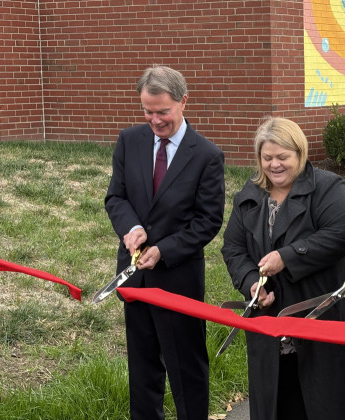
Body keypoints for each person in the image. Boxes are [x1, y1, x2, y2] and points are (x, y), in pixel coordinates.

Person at [221, 116, 345, 420]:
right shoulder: (248, 196)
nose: (274, 165)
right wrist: (252, 282)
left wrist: (287, 257)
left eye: (283, 157)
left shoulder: (329, 187)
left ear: (300, 154)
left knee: (334, 407)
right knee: (281, 406)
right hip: (271, 333)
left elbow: (341, 233)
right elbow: (233, 248)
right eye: (267, 158)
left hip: (326, 324)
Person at [104, 65, 225, 419]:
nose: (155, 120)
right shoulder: (129, 140)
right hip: (135, 276)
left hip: (179, 279)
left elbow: (208, 221)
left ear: (183, 102)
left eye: (163, 111)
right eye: (147, 111)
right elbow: (116, 198)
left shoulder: (206, 155)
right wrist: (131, 228)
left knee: (186, 368)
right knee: (142, 369)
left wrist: (164, 249)